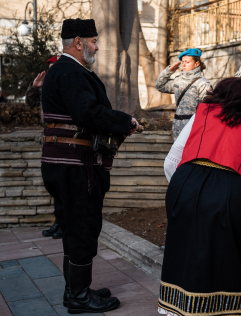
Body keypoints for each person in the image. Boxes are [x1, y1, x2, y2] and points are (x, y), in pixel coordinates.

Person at [158, 77, 241, 316]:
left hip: (185, 186)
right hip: (229, 195)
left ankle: (180, 310)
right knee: (227, 259)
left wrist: (186, 192)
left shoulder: (201, 114)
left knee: (184, 255)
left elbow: (171, 162)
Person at [41, 18, 138, 313]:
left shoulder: (61, 69)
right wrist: (125, 121)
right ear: (79, 42)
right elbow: (87, 112)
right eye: (93, 41)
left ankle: (76, 289)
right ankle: (79, 296)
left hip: (64, 165)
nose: (97, 46)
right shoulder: (71, 72)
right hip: (75, 167)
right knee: (82, 227)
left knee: (74, 226)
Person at [25, 55, 63, 239]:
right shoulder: (46, 87)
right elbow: (30, 103)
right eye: (49, 67)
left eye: (54, 66)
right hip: (49, 139)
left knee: (64, 185)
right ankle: (58, 222)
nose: (51, 70)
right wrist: (34, 88)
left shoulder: (65, 85)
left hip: (64, 140)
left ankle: (64, 224)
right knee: (54, 184)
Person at [155, 48, 212, 139]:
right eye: (182, 62)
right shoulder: (178, 80)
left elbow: (206, 110)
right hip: (177, 125)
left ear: (196, 64)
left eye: (187, 62)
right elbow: (160, 86)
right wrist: (168, 71)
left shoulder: (203, 84)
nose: (184, 64)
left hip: (193, 127)